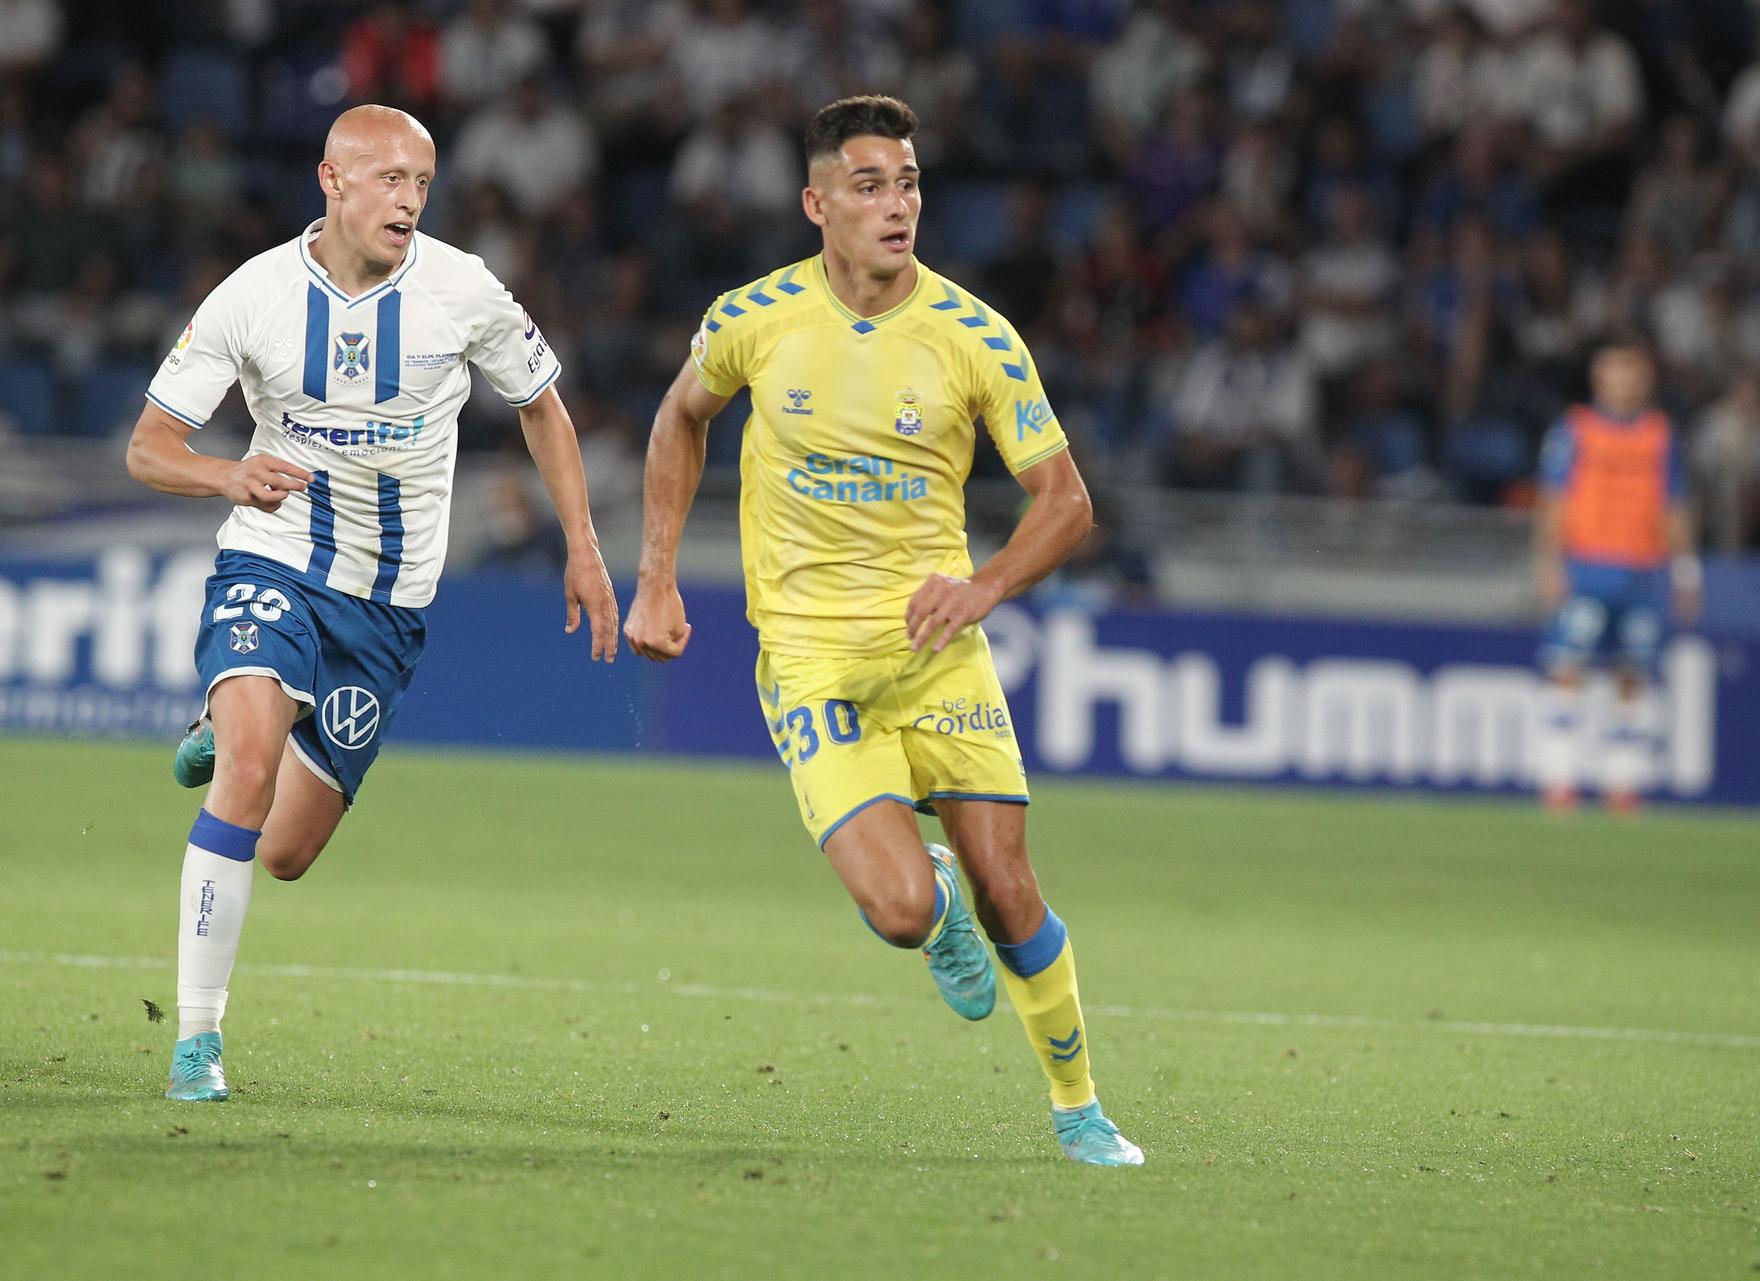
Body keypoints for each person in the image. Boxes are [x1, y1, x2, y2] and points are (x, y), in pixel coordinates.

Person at [623, 95, 1142, 1167]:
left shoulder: (972, 336)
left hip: (935, 651)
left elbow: (1066, 502)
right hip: (812, 663)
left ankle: (1077, 1105)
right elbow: (680, 416)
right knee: (908, 911)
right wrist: (657, 578)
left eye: (906, 184)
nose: (895, 205)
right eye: (868, 186)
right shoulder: (752, 318)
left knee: (1013, 887)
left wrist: (984, 586)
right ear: (817, 205)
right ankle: (932, 897)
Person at [126, 105, 620, 1102]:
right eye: (389, 179)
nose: (408, 200)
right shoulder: (254, 295)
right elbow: (149, 447)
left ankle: (224, 733)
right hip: (273, 559)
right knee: (252, 771)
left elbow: (542, 407)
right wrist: (230, 477)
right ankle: (196, 1042)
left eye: (422, 183)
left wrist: (584, 547)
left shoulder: (463, 291)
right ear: (332, 180)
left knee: (288, 851)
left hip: (387, 606)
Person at [1532, 340, 1700, 813]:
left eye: (1632, 373)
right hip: (1585, 566)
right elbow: (1553, 499)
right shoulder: (1576, 430)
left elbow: (1675, 505)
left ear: (1645, 379)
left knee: (1634, 672)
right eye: (1614, 373)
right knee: (1568, 666)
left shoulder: (1660, 435)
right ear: (1598, 379)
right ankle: (1559, 777)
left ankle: (1622, 780)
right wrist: (1548, 563)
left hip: (1643, 570)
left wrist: (1686, 573)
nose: (1623, 382)